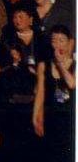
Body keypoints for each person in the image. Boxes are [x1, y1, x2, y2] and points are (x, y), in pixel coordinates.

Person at [33, 25, 76, 162]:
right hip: (51, 117)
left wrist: (60, 64)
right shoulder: (43, 65)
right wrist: (36, 117)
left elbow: (72, 84)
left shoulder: (75, 64)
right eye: (54, 40)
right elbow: (40, 92)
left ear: (70, 42)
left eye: (61, 40)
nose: (58, 44)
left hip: (70, 119)